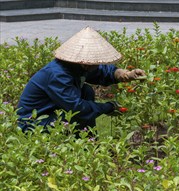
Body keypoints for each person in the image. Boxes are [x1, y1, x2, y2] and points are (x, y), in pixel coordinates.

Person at [17, 26, 146, 133]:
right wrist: (107, 107)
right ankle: (85, 142)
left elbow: (101, 72)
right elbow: (76, 107)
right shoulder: (58, 75)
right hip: (34, 122)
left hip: (51, 111)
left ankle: (87, 140)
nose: (99, 64)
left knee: (86, 91)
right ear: (86, 63)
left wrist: (125, 74)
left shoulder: (76, 66)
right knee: (78, 114)